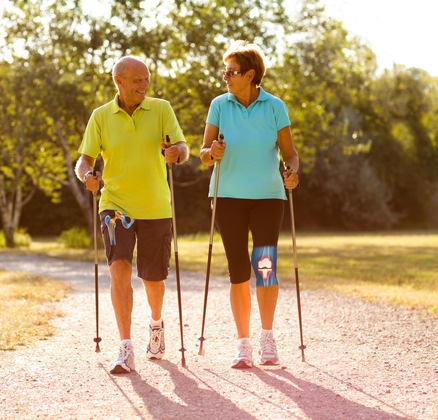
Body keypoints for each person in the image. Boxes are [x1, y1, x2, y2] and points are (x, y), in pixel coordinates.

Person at [75, 56, 189, 374]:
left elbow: (183, 146)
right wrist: (87, 177)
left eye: (147, 79)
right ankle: (125, 347)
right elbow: (83, 160)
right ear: (119, 81)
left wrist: (176, 153)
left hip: (155, 207)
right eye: (137, 80)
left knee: (153, 278)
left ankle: (155, 323)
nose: (144, 84)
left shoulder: (161, 109)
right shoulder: (101, 116)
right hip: (115, 205)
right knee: (119, 268)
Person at [199, 41, 300, 368]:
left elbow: (290, 154)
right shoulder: (219, 105)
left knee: (265, 268)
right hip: (227, 196)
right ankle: (243, 344)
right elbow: (203, 155)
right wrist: (211, 153)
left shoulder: (274, 106)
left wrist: (293, 173)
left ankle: (267, 339)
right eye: (224, 72)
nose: (225, 77)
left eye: (231, 72)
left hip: (269, 197)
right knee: (238, 270)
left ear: (250, 74)